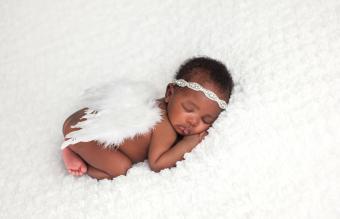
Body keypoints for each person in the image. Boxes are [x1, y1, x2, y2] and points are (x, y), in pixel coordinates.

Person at [61, 57, 234, 180]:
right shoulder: (163, 124)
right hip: (86, 133)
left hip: (82, 119)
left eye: (206, 120)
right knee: (120, 169)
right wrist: (188, 143)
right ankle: (74, 149)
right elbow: (157, 163)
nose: (194, 121)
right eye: (188, 109)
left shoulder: (165, 110)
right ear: (170, 93)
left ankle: (77, 146)